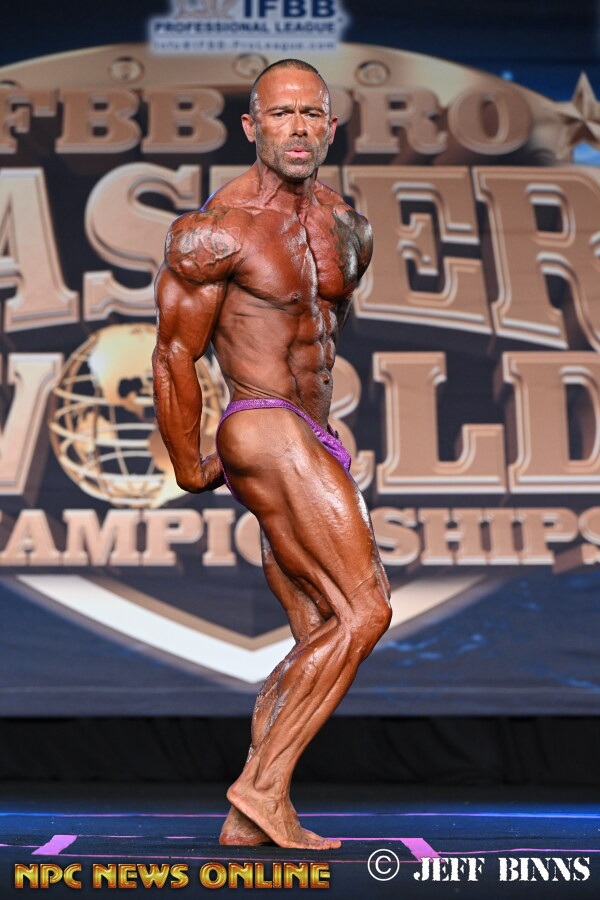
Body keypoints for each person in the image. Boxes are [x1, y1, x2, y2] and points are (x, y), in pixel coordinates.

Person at [152, 58, 391, 850]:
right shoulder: (217, 230)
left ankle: (252, 814)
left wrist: (322, 444)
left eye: (311, 114)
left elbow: (318, 338)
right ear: (252, 126)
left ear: (331, 126)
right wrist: (188, 462)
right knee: (367, 610)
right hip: (262, 424)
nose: (297, 128)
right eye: (281, 114)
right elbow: (174, 355)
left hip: (310, 438)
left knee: (323, 626)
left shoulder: (345, 226)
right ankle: (259, 787)